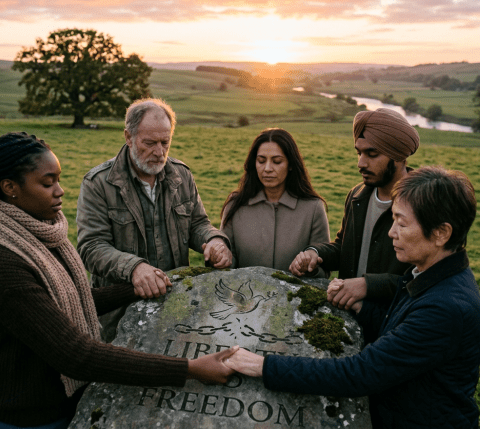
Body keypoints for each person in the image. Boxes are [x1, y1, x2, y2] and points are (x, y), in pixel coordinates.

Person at [0, 132, 237, 429]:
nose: (60, 191)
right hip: (28, 417)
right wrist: (191, 368)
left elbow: (68, 299)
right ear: (10, 188)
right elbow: (76, 355)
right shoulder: (0, 263)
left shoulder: (33, 235)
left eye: (58, 179)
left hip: (55, 403)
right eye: (47, 183)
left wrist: (134, 290)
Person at [225, 166, 480, 429]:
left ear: (441, 233)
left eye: (402, 224)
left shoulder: (446, 307)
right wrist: (360, 306)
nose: (392, 232)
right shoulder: (430, 275)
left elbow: (361, 373)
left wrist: (262, 366)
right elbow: (402, 327)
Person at [76, 98, 232, 341]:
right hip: (118, 315)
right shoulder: (98, 184)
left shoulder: (182, 175)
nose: (159, 152)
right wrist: (134, 268)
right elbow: (91, 247)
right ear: (128, 137)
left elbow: (198, 224)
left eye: (165, 142)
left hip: (175, 305)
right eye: (149, 143)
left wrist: (214, 241)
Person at [290, 107, 419, 310]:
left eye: (372, 154)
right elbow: (345, 248)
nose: (361, 163)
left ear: (399, 155)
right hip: (347, 316)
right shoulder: (357, 195)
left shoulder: (423, 204)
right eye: (359, 153)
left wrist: (368, 285)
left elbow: (424, 279)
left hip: (394, 324)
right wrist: (315, 253)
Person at [220, 128, 330, 270]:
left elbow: (324, 267)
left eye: (277, 162)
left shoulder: (314, 208)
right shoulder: (235, 204)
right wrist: (220, 258)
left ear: (291, 164)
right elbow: (228, 260)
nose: (267, 168)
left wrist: (308, 267)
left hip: (295, 292)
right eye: (261, 161)